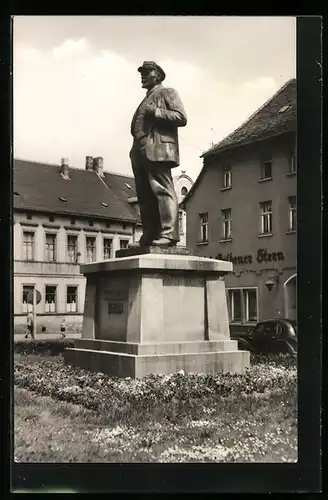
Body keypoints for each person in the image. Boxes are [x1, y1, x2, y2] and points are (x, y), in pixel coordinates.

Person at [129, 61, 187, 247]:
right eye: (142, 72)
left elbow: (181, 117)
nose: (143, 75)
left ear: (159, 75)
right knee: (145, 194)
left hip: (157, 147)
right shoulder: (146, 97)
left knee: (162, 189)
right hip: (140, 149)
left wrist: (156, 112)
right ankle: (149, 235)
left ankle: (169, 234)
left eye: (147, 72)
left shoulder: (167, 92)